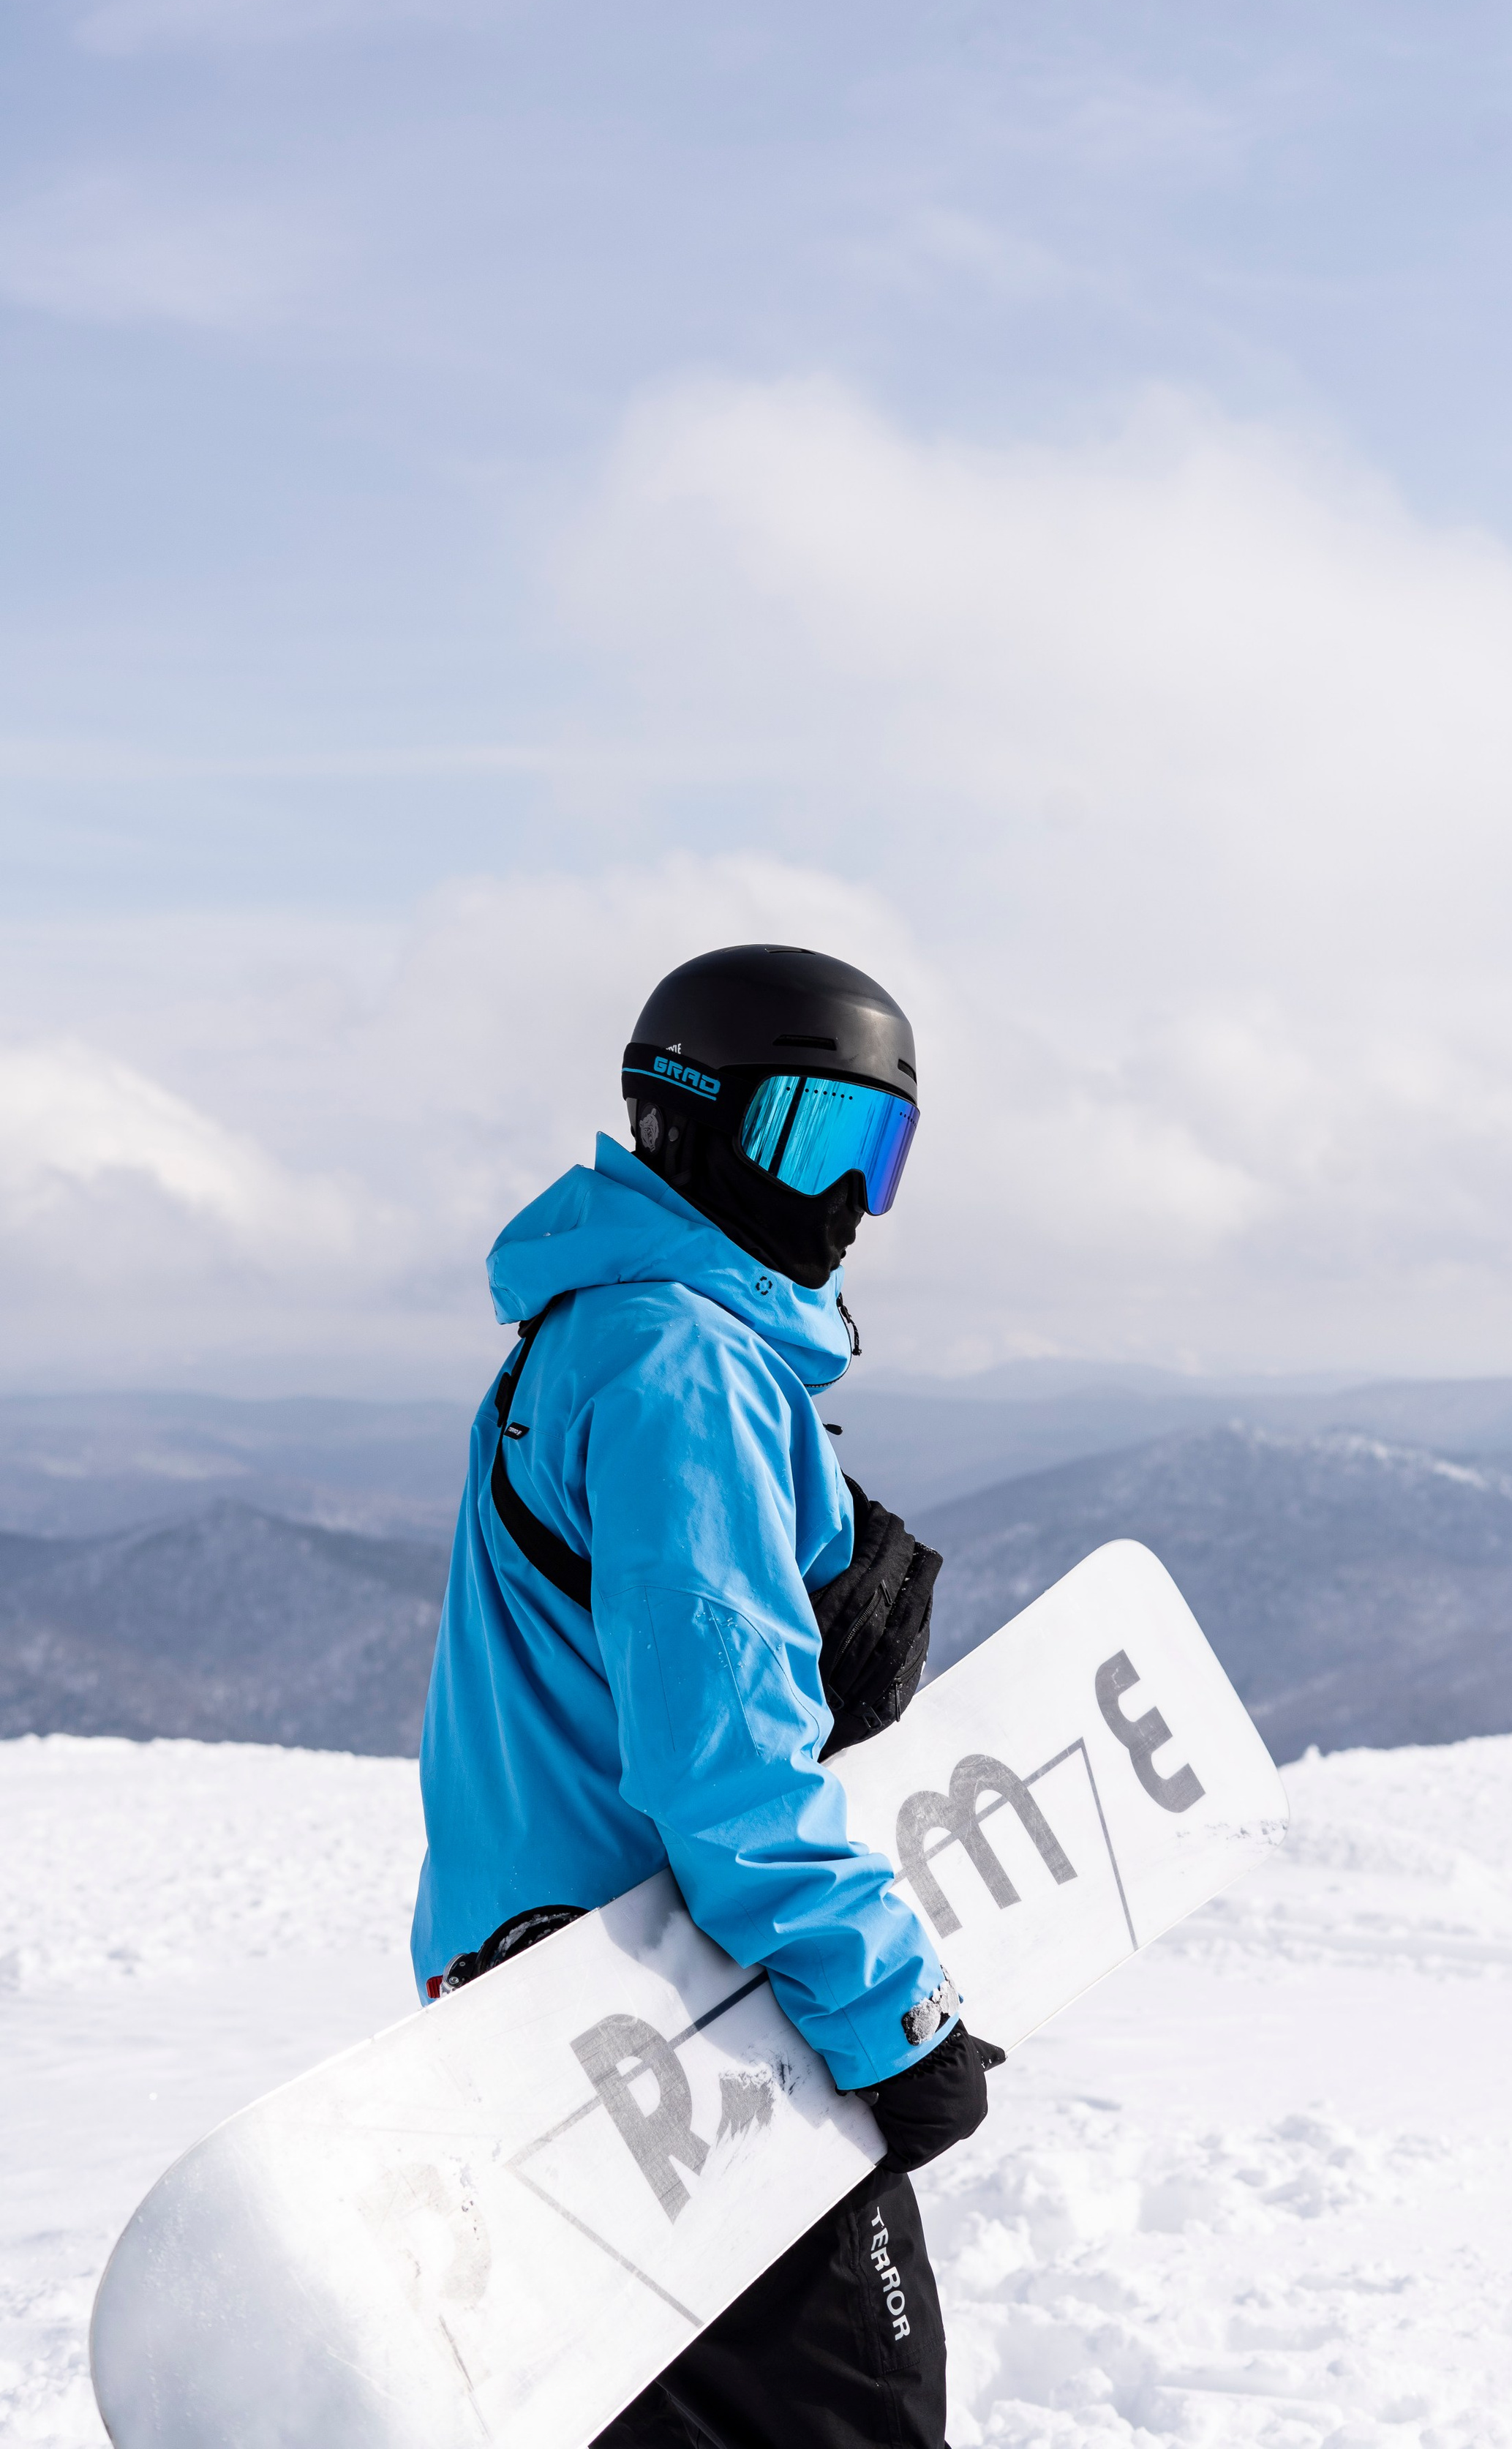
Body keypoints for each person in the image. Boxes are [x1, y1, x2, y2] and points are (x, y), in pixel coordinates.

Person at [410, 942, 996, 2449]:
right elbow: (720, 1770)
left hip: (535, 1995)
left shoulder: (591, 1332)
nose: (849, 1200)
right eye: (811, 1137)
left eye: (880, 1148)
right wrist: (892, 2021)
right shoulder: (681, 1364)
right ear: (688, 1120)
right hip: (682, 2016)